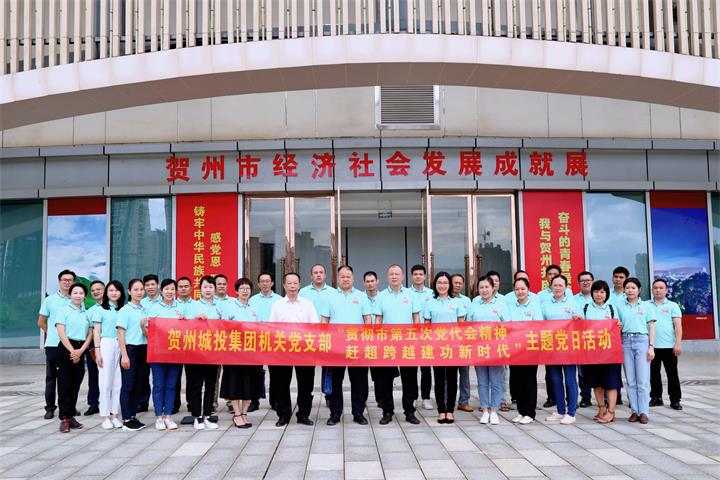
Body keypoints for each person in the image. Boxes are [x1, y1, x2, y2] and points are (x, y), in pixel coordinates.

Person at [321, 265, 372, 426]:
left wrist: (366, 340)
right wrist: (325, 342)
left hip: (356, 346)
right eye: (342, 276)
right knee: (336, 381)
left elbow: (367, 319)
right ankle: (335, 413)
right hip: (336, 347)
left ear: (353, 278)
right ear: (338, 278)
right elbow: (324, 320)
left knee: (358, 381)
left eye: (348, 276)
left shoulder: (361, 296)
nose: (345, 279)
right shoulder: (330, 296)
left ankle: (358, 413)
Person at [268, 272, 319, 427]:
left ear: (299, 285)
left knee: (306, 385)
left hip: (304, 349)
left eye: (295, 283)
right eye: (289, 283)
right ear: (284, 285)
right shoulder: (277, 305)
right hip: (283, 350)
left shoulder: (308, 304)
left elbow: (315, 326)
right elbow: (272, 327)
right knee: (282, 384)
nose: (292, 286)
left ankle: (303, 414)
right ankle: (284, 415)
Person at [374, 264, 422, 425]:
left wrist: (416, 338)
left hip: (407, 344)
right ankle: (387, 411)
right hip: (387, 344)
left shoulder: (411, 294)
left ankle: (409, 411)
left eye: (397, 274)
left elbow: (416, 317)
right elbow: (378, 319)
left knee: (410, 379)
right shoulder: (381, 296)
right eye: (391, 274)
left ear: (402, 276)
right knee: (386, 380)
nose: (394, 276)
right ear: (387, 277)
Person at [422, 271, 465, 424]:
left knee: (452, 379)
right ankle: (441, 410)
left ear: (449, 285)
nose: (442, 285)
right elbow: (426, 326)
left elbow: (461, 325)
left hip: (453, 347)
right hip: (436, 347)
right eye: (439, 283)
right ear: (435, 285)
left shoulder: (457, 302)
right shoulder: (430, 302)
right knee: (439, 379)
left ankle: (450, 410)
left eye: (445, 283)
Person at [220, 277, 261, 429]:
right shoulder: (229, 307)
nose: (245, 291)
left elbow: (260, 329)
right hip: (234, 352)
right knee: (235, 383)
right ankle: (237, 414)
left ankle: (244, 413)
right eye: (242, 288)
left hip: (251, 352)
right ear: (236, 291)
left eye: (247, 288)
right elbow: (223, 328)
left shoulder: (254, 308)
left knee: (250, 383)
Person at [542, 274, 582, 425]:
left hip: (569, 347)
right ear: (550, 286)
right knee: (555, 379)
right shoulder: (545, 304)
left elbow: (583, 323)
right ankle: (560, 410)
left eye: (560, 285)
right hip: (551, 347)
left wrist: (578, 319)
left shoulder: (573, 303)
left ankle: (571, 412)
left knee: (570, 379)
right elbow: (540, 324)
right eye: (555, 285)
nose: (557, 288)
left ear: (566, 287)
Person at [143, 278, 183, 430]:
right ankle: (159, 417)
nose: (169, 292)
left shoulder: (180, 308)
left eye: (172, 289)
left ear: (175, 291)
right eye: (166, 289)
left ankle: (168, 416)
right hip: (158, 353)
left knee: (171, 385)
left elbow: (188, 331)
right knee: (159, 385)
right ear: (161, 290)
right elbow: (148, 332)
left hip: (175, 352)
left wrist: (184, 321)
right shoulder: (154, 308)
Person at [469, 275, 508, 425]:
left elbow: (508, 326)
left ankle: (494, 411)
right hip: (479, 349)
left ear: (493, 288)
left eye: (487, 287)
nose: (484, 290)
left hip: (496, 349)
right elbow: (468, 326)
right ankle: (485, 409)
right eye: (481, 287)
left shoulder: (501, 304)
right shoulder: (474, 303)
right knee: (482, 381)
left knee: (496, 381)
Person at [184, 275, 222, 430]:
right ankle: (196, 417)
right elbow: (184, 327)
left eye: (211, 287)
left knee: (211, 385)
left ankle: (207, 415)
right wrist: (195, 319)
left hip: (213, 352)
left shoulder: (219, 306)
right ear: (200, 289)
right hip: (195, 352)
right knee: (196, 385)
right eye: (205, 287)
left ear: (215, 289)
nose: (208, 290)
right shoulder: (192, 305)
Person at [617, 277, 656, 424]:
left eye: (633, 288)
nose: (630, 290)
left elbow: (652, 327)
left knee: (643, 380)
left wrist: (651, 346)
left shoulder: (646, 306)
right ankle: (634, 411)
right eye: (627, 288)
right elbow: (617, 325)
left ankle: (644, 411)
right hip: (626, 341)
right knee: (631, 380)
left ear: (639, 290)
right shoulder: (620, 306)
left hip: (642, 341)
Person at [582, 280, 622, 424]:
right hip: (592, 352)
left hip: (610, 352)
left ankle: (611, 411)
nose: (599, 294)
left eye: (602, 292)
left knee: (611, 382)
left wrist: (619, 325)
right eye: (596, 291)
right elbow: (580, 327)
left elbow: (618, 326)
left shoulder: (611, 308)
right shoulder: (585, 308)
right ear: (592, 293)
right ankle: (601, 408)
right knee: (596, 382)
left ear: (607, 294)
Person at [55, 283, 93, 433]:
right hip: (66, 348)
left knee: (76, 384)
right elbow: (61, 333)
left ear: (84, 295)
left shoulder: (86, 313)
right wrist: (72, 351)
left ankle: (71, 416)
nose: (78, 295)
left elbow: (90, 333)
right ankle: (64, 418)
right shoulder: (63, 310)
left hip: (81, 348)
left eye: (81, 293)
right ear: (70, 294)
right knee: (64, 384)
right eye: (75, 292)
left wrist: (81, 351)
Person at [38, 269, 75, 419]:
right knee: (52, 377)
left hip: (72, 345)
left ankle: (69, 407)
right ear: (59, 282)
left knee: (69, 378)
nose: (67, 282)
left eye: (70, 280)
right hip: (54, 344)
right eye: (64, 280)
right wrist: (54, 333)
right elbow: (41, 322)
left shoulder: (77, 299)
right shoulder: (50, 300)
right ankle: (50, 407)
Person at [506, 277, 543, 424]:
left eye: (523, 289)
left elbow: (539, 325)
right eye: (517, 289)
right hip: (515, 349)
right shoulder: (511, 306)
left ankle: (530, 413)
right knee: (517, 380)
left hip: (530, 348)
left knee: (529, 380)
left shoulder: (534, 305)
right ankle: (521, 411)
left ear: (528, 290)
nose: (520, 292)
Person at [298, 264, 336, 408]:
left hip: (328, 336)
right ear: (311, 275)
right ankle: (306, 397)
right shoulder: (303, 292)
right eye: (315, 272)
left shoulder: (333, 292)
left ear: (325, 275)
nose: (318, 275)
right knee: (308, 370)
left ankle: (329, 395)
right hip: (308, 336)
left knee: (329, 367)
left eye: (321, 272)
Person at [91, 280, 125, 430]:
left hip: (121, 344)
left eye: (117, 290)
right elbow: (96, 332)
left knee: (118, 382)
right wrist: (97, 352)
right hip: (106, 344)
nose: (114, 293)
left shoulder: (123, 309)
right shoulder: (100, 309)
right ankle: (104, 416)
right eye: (111, 290)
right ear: (106, 292)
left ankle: (115, 415)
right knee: (105, 382)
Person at [117, 278, 149, 431]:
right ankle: (126, 419)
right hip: (130, 350)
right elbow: (120, 334)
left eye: (141, 289)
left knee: (138, 385)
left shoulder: (144, 309)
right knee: (128, 385)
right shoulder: (125, 310)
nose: (139, 292)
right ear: (129, 292)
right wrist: (124, 355)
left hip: (144, 349)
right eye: (136, 290)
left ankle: (133, 416)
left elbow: (147, 332)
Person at [248, 272, 282, 412]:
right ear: (258, 284)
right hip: (256, 339)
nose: (265, 283)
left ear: (272, 283)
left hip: (274, 339)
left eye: (267, 281)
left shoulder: (280, 300)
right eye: (262, 281)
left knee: (276, 372)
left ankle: (275, 401)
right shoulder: (252, 300)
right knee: (255, 372)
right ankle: (254, 401)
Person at [649, 279, 683, 410]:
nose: (658, 290)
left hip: (669, 346)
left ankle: (675, 399)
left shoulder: (673, 306)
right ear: (652, 289)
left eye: (661, 288)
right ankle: (656, 397)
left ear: (666, 290)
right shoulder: (646, 305)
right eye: (655, 287)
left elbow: (678, 326)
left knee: (672, 374)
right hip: (652, 346)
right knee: (654, 374)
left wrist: (678, 343)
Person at [410, 264, 435, 411]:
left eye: (420, 274)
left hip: (427, 337)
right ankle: (412, 397)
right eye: (415, 274)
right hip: (411, 337)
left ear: (425, 276)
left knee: (426, 369)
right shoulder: (407, 293)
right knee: (412, 369)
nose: (418, 276)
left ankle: (426, 398)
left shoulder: (432, 293)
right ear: (411, 276)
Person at [136, 274, 160, 413]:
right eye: (147, 285)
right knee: (142, 374)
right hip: (144, 343)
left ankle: (169, 403)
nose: (150, 287)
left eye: (153, 284)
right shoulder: (141, 303)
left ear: (158, 285)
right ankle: (142, 402)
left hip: (161, 344)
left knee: (161, 376)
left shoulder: (165, 300)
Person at [452, 274, 474, 413]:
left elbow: (470, 320)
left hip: (464, 342)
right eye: (455, 282)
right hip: (448, 343)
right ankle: (447, 400)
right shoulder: (445, 299)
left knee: (464, 373)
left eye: (460, 283)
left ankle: (464, 401)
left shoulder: (467, 300)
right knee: (449, 375)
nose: (458, 285)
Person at [173, 276, 194, 415]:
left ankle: (192, 403)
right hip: (175, 345)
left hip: (192, 345)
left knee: (192, 377)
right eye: (180, 286)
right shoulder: (172, 305)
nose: (183, 289)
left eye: (186, 286)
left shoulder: (198, 304)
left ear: (191, 288)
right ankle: (174, 404)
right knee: (175, 376)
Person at [83, 280, 104, 416]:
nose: (96, 292)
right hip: (93, 346)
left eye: (99, 289)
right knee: (93, 374)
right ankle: (93, 403)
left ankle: (110, 402)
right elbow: (88, 331)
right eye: (93, 290)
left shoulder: (113, 308)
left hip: (110, 344)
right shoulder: (90, 311)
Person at [574, 271, 595, 408]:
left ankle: (605, 397)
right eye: (583, 280)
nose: (586, 282)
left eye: (588, 280)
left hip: (598, 339)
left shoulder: (600, 296)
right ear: (579, 283)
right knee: (582, 371)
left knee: (600, 369)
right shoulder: (574, 299)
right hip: (581, 339)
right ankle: (586, 397)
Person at [364, 271, 384, 408]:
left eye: (372, 281)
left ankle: (380, 399)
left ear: (377, 281)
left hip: (380, 341)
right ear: (364, 283)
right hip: (363, 341)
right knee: (362, 373)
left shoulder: (384, 297)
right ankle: (362, 399)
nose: (370, 284)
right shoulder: (360, 297)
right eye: (368, 281)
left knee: (379, 373)